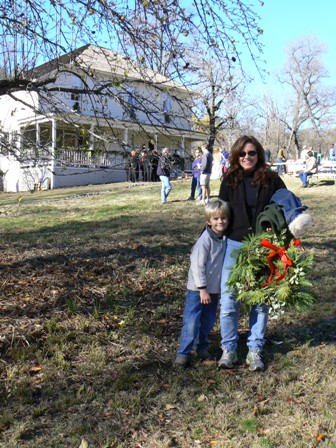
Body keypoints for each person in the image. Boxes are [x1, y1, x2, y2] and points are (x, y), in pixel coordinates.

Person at [218, 135, 287, 372]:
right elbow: (219, 213)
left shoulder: (271, 179)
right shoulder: (229, 180)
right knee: (229, 301)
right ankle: (229, 349)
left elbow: (285, 205)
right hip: (234, 245)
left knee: (259, 301)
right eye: (242, 154)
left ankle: (255, 349)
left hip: (262, 247)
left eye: (252, 153)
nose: (247, 157)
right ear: (236, 156)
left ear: (259, 154)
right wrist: (207, 240)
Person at [175, 199, 230, 368]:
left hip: (213, 290)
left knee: (208, 320)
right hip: (198, 290)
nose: (220, 221)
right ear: (208, 221)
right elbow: (197, 265)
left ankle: (202, 347)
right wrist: (202, 289)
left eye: (223, 218)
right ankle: (183, 353)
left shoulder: (225, 238)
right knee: (192, 321)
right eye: (215, 219)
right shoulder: (205, 240)